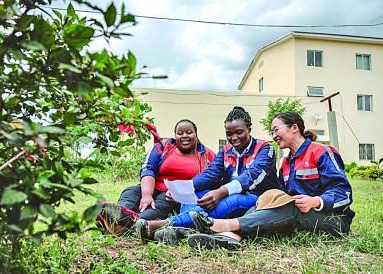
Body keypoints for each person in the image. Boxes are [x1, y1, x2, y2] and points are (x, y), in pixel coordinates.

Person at [188, 111, 355, 250]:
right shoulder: (285, 162)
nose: (274, 136)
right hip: (301, 217)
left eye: (276, 130)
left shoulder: (321, 151)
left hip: (333, 219)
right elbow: (284, 195)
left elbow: (344, 193)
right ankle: (232, 237)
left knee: (290, 209)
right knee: (262, 205)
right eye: (272, 132)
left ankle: (223, 226)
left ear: (294, 128)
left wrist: (316, 201)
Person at [136, 106, 279, 244]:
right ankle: (182, 230)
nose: (234, 138)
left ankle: (163, 224)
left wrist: (220, 192)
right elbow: (211, 173)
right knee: (195, 193)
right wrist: (183, 188)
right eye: (229, 134)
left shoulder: (265, 148)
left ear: (249, 129)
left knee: (229, 200)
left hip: (257, 196)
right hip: (227, 193)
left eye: (239, 132)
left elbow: (251, 176)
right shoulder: (226, 150)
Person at [96, 119, 215, 235]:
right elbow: (148, 168)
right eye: (180, 133)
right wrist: (147, 195)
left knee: (158, 208)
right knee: (130, 192)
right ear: (175, 136)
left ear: (196, 135)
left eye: (189, 132)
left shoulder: (207, 155)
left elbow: (212, 179)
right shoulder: (164, 146)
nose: (184, 136)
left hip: (172, 196)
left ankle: (125, 224)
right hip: (151, 186)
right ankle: (116, 215)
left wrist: (180, 192)